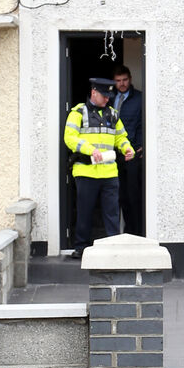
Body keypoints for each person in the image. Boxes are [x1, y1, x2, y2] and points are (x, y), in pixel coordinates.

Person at [63, 77, 135, 258]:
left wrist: (127, 148)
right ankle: (81, 248)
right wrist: (90, 150)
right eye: (104, 95)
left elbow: (121, 137)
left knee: (111, 213)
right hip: (86, 171)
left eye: (109, 96)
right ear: (93, 92)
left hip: (109, 173)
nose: (107, 99)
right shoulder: (78, 113)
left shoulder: (113, 114)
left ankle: (114, 248)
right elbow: (69, 137)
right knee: (85, 212)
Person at [112, 65, 145, 237]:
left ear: (130, 79)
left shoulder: (139, 98)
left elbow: (144, 123)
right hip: (112, 154)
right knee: (118, 196)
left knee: (133, 196)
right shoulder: (109, 99)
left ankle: (135, 233)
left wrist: (141, 146)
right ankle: (120, 234)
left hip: (133, 154)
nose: (122, 84)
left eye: (124, 80)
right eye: (118, 81)